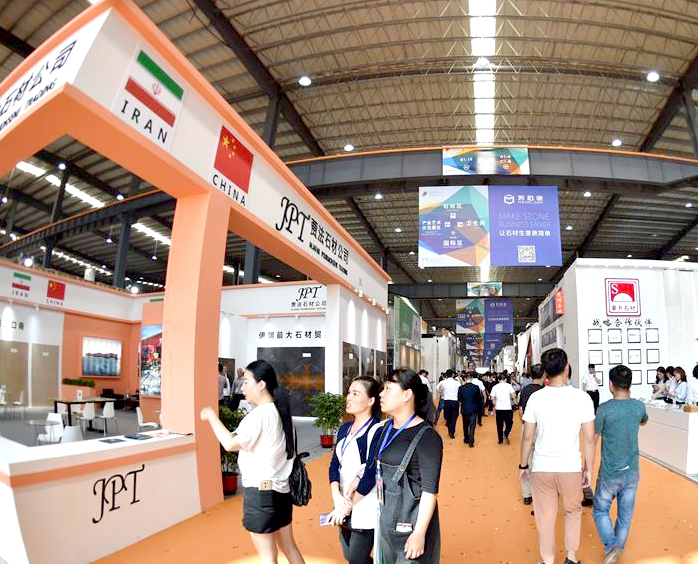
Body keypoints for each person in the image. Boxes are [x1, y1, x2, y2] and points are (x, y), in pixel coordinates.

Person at [200, 360, 305, 564]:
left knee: (268, 557)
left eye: (246, 382)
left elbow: (230, 444)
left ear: (261, 384)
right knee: (289, 547)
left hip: (261, 494)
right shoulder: (281, 413)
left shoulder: (259, 415)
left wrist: (212, 417)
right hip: (282, 492)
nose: (242, 387)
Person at [519, 348, 596, 564]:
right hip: (570, 466)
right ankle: (571, 558)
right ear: (567, 368)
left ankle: (548, 560)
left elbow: (527, 437)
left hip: (542, 466)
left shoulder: (536, 398)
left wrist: (523, 466)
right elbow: (589, 438)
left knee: (545, 517)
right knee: (572, 512)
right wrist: (589, 469)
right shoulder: (582, 397)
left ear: (545, 372)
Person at [373, 368, 443, 564]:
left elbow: (430, 492)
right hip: (386, 519)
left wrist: (419, 533)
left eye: (388, 388)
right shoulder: (385, 428)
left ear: (407, 395)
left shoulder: (428, 437)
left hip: (411, 524)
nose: (381, 394)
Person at [592, 364, 649, 564]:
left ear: (611, 384)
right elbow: (643, 421)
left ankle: (611, 545)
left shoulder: (604, 409)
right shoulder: (638, 406)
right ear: (630, 384)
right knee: (625, 516)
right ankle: (617, 550)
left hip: (609, 472)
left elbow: (593, 439)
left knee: (600, 510)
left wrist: (586, 466)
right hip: (632, 472)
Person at [328, 376, 384, 564]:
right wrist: (336, 497)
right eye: (349, 392)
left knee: (356, 559)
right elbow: (334, 466)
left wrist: (345, 508)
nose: (348, 397)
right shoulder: (344, 429)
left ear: (370, 401)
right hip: (343, 502)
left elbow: (370, 475)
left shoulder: (376, 430)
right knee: (349, 556)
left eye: (355, 393)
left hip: (365, 505)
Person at [518, 364, 545, 505]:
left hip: (527, 427)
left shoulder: (524, 390)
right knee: (541, 461)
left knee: (526, 461)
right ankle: (540, 492)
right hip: (542, 429)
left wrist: (524, 424)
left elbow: (520, 410)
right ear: (544, 375)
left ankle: (527, 494)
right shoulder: (545, 391)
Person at [458, 372, 483, 447]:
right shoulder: (476, 387)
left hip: (465, 408)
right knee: (472, 425)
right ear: (471, 378)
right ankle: (471, 441)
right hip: (474, 409)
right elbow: (479, 398)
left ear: (465, 379)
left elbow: (459, 399)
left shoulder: (461, 388)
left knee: (465, 425)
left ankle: (466, 438)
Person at [491, 374, 516, 445]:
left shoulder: (495, 387)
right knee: (509, 423)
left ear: (498, 380)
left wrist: (494, 406)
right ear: (505, 379)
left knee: (499, 424)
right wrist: (510, 397)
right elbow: (513, 396)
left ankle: (500, 440)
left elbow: (492, 399)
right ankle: (506, 433)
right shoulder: (509, 386)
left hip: (498, 408)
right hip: (508, 408)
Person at [439, 370, 461, 439]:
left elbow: (439, 389)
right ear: (452, 375)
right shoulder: (457, 383)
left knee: (447, 417)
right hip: (455, 402)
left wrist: (442, 394)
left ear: (446, 375)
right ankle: (452, 432)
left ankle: (449, 429)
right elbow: (460, 391)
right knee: (454, 418)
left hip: (447, 401)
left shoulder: (443, 382)